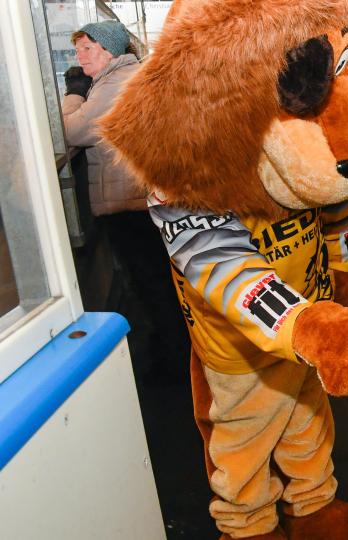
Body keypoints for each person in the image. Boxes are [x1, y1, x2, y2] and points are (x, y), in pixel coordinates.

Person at [62, 20, 189, 380]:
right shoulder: (122, 77)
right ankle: (175, 350)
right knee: (157, 277)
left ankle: (173, 359)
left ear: (109, 50)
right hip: (140, 199)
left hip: (128, 203)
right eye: (78, 49)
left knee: (149, 280)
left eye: (87, 48)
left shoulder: (115, 82)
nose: (79, 56)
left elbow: (72, 131)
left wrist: (74, 92)